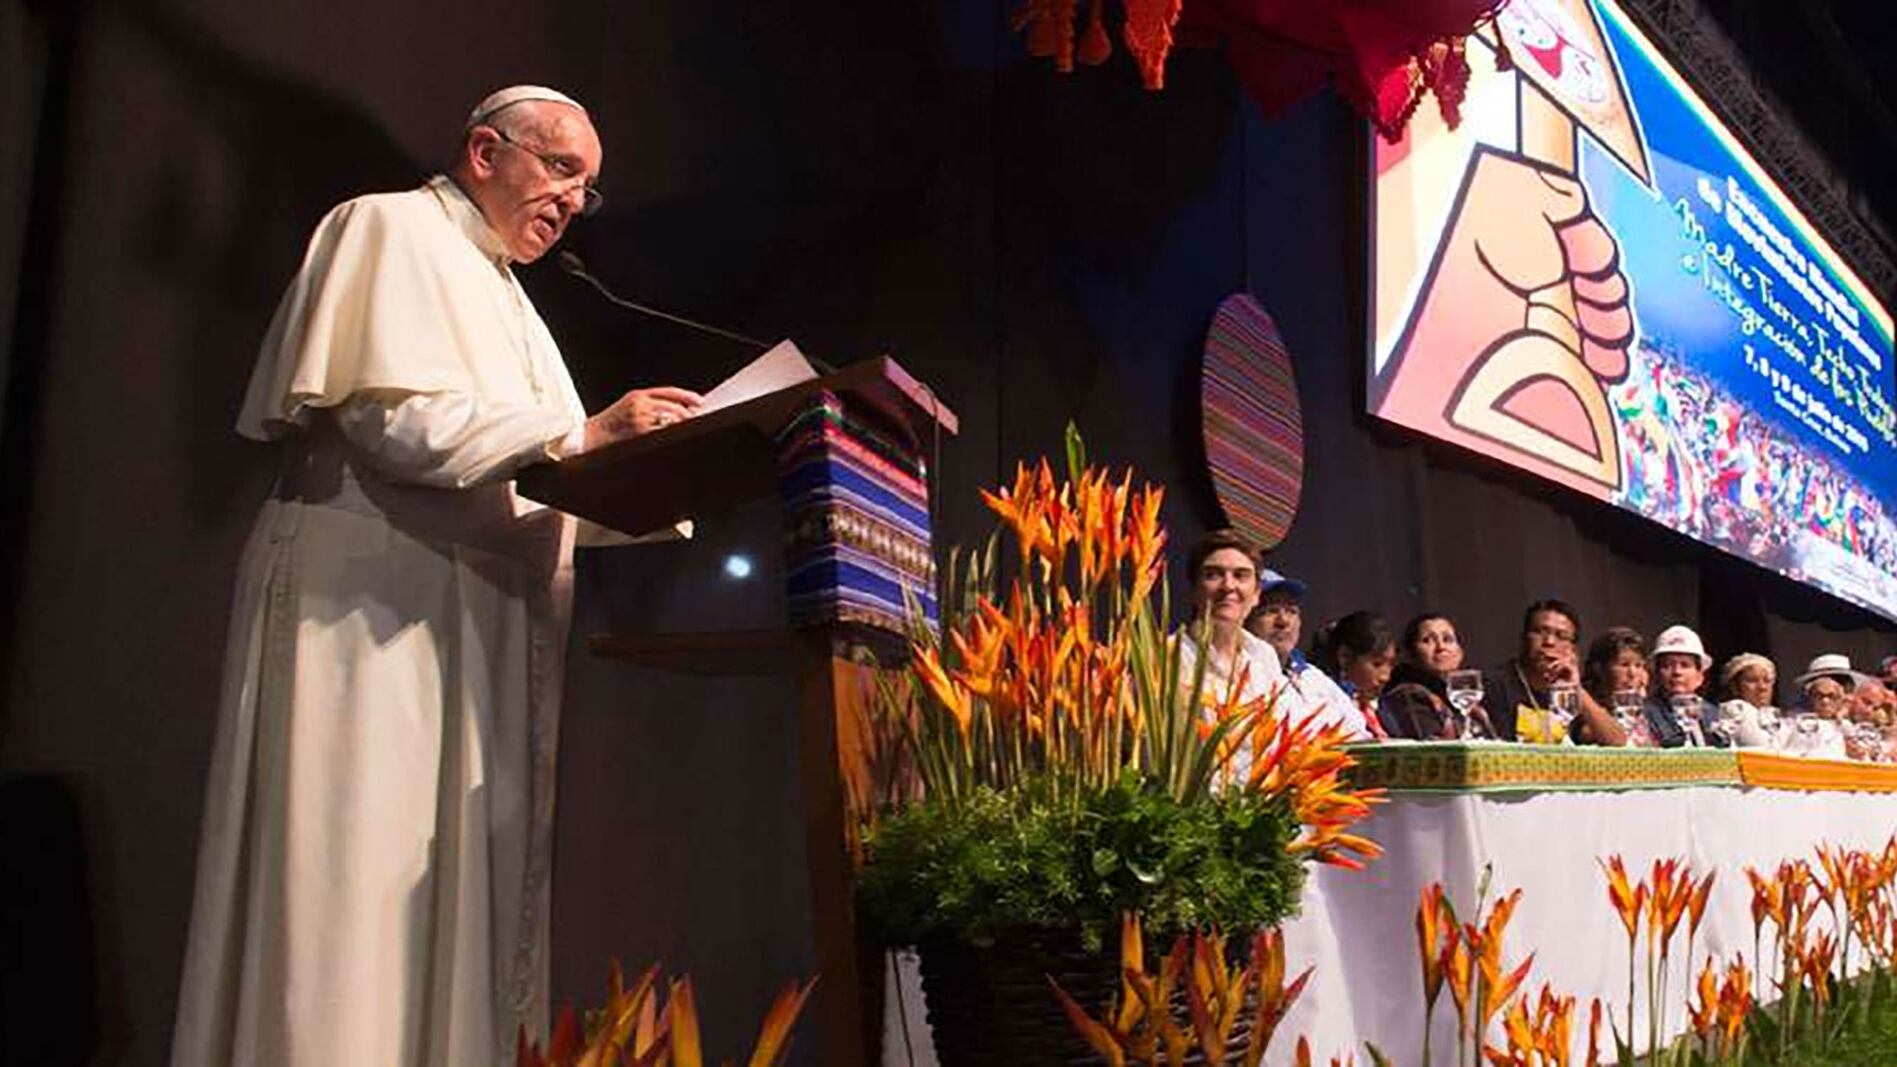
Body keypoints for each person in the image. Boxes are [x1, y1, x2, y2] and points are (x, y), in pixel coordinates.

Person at [172, 87, 703, 1066]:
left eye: (587, 188)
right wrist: (583, 435)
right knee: (350, 907)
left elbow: (528, 476)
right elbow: (393, 425)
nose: (572, 202)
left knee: (443, 917)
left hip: (469, 626)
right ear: (485, 150)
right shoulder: (387, 228)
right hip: (369, 617)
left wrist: (655, 472)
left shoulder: (511, 295)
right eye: (558, 170)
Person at [1243, 569, 1372, 739]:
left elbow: (1359, 734)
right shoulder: (1238, 675)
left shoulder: (1313, 677)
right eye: (1270, 611)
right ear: (1245, 620)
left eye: (1291, 611)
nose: (1283, 621)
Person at [1484, 600, 1626, 745]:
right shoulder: (1494, 684)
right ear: (1523, 638)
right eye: (1540, 632)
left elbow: (1617, 740)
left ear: (1572, 650)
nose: (1549, 642)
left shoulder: (1568, 692)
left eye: (1561, 636)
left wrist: (1576, 689)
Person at [1178, 529, 1286, 712]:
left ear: (1256, 594)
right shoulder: (1171, 657)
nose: (1228, 586)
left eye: (1240, 575)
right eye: (1213, 575)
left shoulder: (1264, 655)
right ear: (1194, 590)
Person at [1311, 611, 1397, 738]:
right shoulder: (1323, 702)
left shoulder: (1382, 709)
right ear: (1345, 657)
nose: (1386, 677)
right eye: (1377, 664)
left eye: (1391, 665)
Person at [1646, 625, 1717, 747]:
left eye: (1685, 665)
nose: (1677, 672)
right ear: (1656, 674)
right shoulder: (1644, 714)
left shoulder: (1714, 713)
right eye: (1667, 665)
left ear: (1700, 676)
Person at [1790, 653, 1859, 760]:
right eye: (1819, 695)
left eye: (1832, 695)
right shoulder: (1799, 723)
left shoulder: (1855, 722)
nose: (1826, 701)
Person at [1712, 652, 1780, 748]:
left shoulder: (1775, 717)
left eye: (1767, 680)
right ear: (1735, 687)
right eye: (1752, 680)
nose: (1762, 687)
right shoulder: (1736, 709)